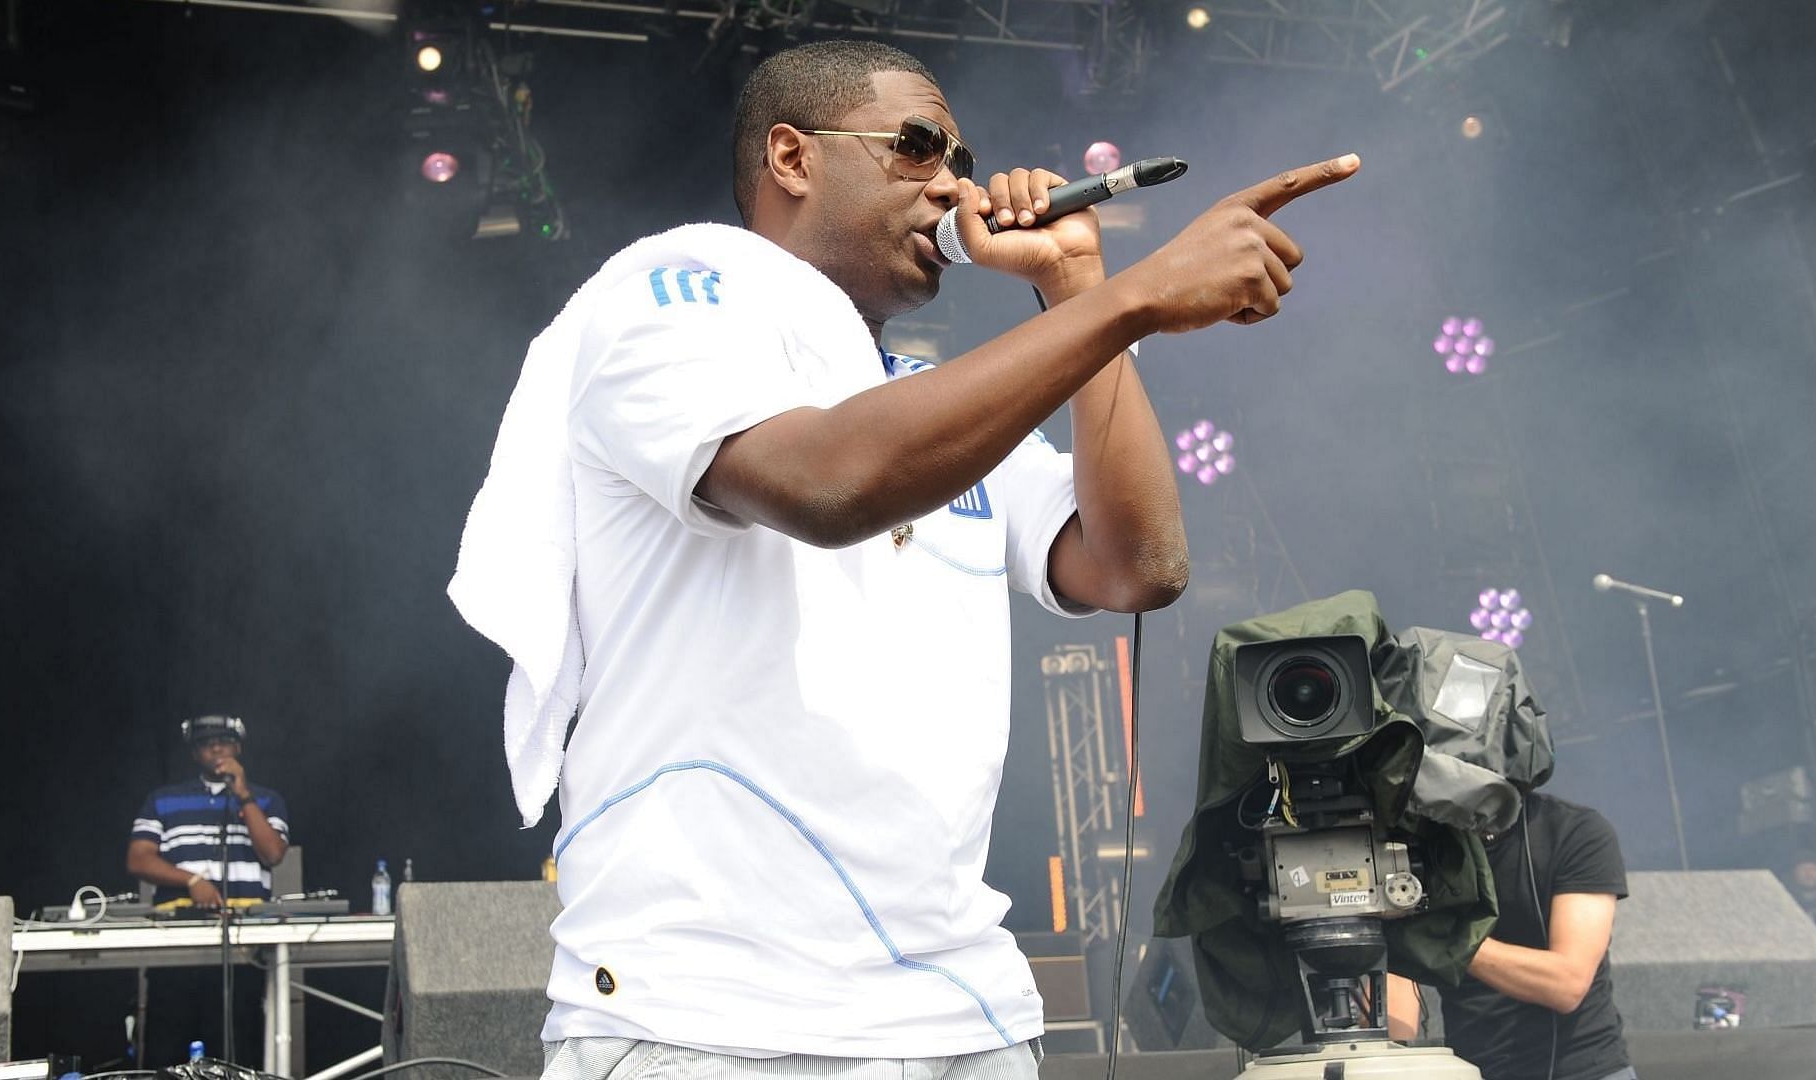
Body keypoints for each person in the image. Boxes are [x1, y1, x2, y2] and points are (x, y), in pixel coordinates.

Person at [450, 39, 1356, 1076]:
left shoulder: (932, 407)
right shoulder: (663, 301)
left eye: (963, 159)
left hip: (960, 1018)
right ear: (792, 159)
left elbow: (1136, 564)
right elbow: (829, 486)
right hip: (715, 1022)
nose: (955, 184)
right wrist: (1138, 299)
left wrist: (1079, 291)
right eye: (917, 147)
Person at [1388, 789, 1634, 1080]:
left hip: (1583, 1070)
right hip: (1476, 1070)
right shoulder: (1418, 844)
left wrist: (1454, 943)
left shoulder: (1575, 831)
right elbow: (1401, 980)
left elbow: (1567, 982)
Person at [127, 714, 290, 908]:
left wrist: (244, 795)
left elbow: (273, 855)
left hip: (248, 921)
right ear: (194, 753)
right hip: (177, 924)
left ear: (238, 748)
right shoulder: (162, 800)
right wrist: (192, 881)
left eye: (225, 741)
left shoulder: (266, 800)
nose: (216, 748)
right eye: (205, 743)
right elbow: (138, 860)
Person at [1787, 851, 1816, 933]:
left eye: (1813, 869)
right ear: (1795, 873)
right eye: (1803, 869)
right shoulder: (1786, 898)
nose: (1809, 874)